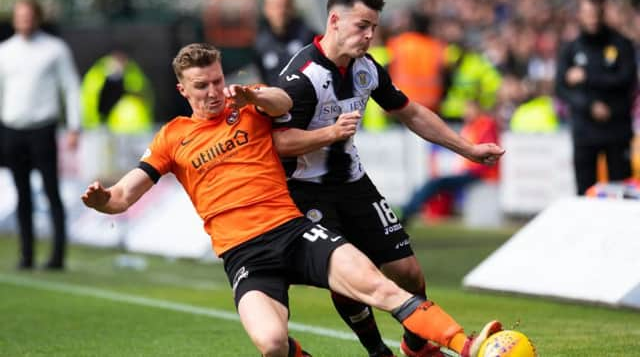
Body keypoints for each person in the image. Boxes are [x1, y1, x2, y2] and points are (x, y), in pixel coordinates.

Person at [81, 43, 502, 357]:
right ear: (182, 89)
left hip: (293, 229)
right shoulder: (171, 136)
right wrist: (104, 199)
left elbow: (284, 100)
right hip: (244, 254)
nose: (213, 91)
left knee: (380, 286)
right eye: (201, 86)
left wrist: (254, 97)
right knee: (271, 344)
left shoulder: (245, 104)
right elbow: (123, 196)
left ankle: (468, 346)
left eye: (217, 80)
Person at [273, 0, 505, 357]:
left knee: (409, 272)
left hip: (354, 183)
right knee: (349, 277)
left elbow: (410, 112)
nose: (369, 36)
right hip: (307, 190)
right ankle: (377, 350)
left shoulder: (366, 68)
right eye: (362, 26)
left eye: (374, 28)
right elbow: (278, 143)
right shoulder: (302, 77)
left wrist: (468, 148)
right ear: (334, 20)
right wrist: (329, 133)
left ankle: (416, 344)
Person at [0, 0, 81, 270]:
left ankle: (57, 255)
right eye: (20, 16)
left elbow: (70, 88)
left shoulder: (54, 49)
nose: (24, 21)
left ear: (37, 18)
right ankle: (27, 254)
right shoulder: (5, 51)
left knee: (51, 191)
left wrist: (74, 126)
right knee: (21, 192)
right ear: (15, 19)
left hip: (42, 129)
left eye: (29, 16)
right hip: (13, 129)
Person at [555, 0, 638, 195]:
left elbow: (627, 81)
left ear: (603, 14)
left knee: (620, 190)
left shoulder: (621, 44)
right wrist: (589, 106)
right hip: (585, 130)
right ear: (580, 15)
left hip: (616, 127)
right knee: (585, 191)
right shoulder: (571, 49)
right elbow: (561, 88)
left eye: (596, 13)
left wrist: (587, 76)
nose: (592, 18)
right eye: (587, 13)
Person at [399, 100, 500, 226]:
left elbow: (488, 151)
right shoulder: (471, 126)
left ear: (478, 110)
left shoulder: (485, 124)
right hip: (469, 171)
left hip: (478, 172)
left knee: (435, 183)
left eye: (469, 109)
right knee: (433, 183)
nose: (465, 113)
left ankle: (407, 212)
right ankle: (409, 210)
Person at [253, 0, 316, 86]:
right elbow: (264, 81)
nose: (281, 11)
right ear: (266, 9)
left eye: (285, 5)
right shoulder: (260, 45)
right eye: (275, 6)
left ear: (292, 7)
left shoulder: (308, 36)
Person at [81, 48, 154, 134]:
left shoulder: (133, 75)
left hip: (133, 128)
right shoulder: (96, 76)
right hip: (103, 127)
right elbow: (90, 102)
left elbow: (145, 96)